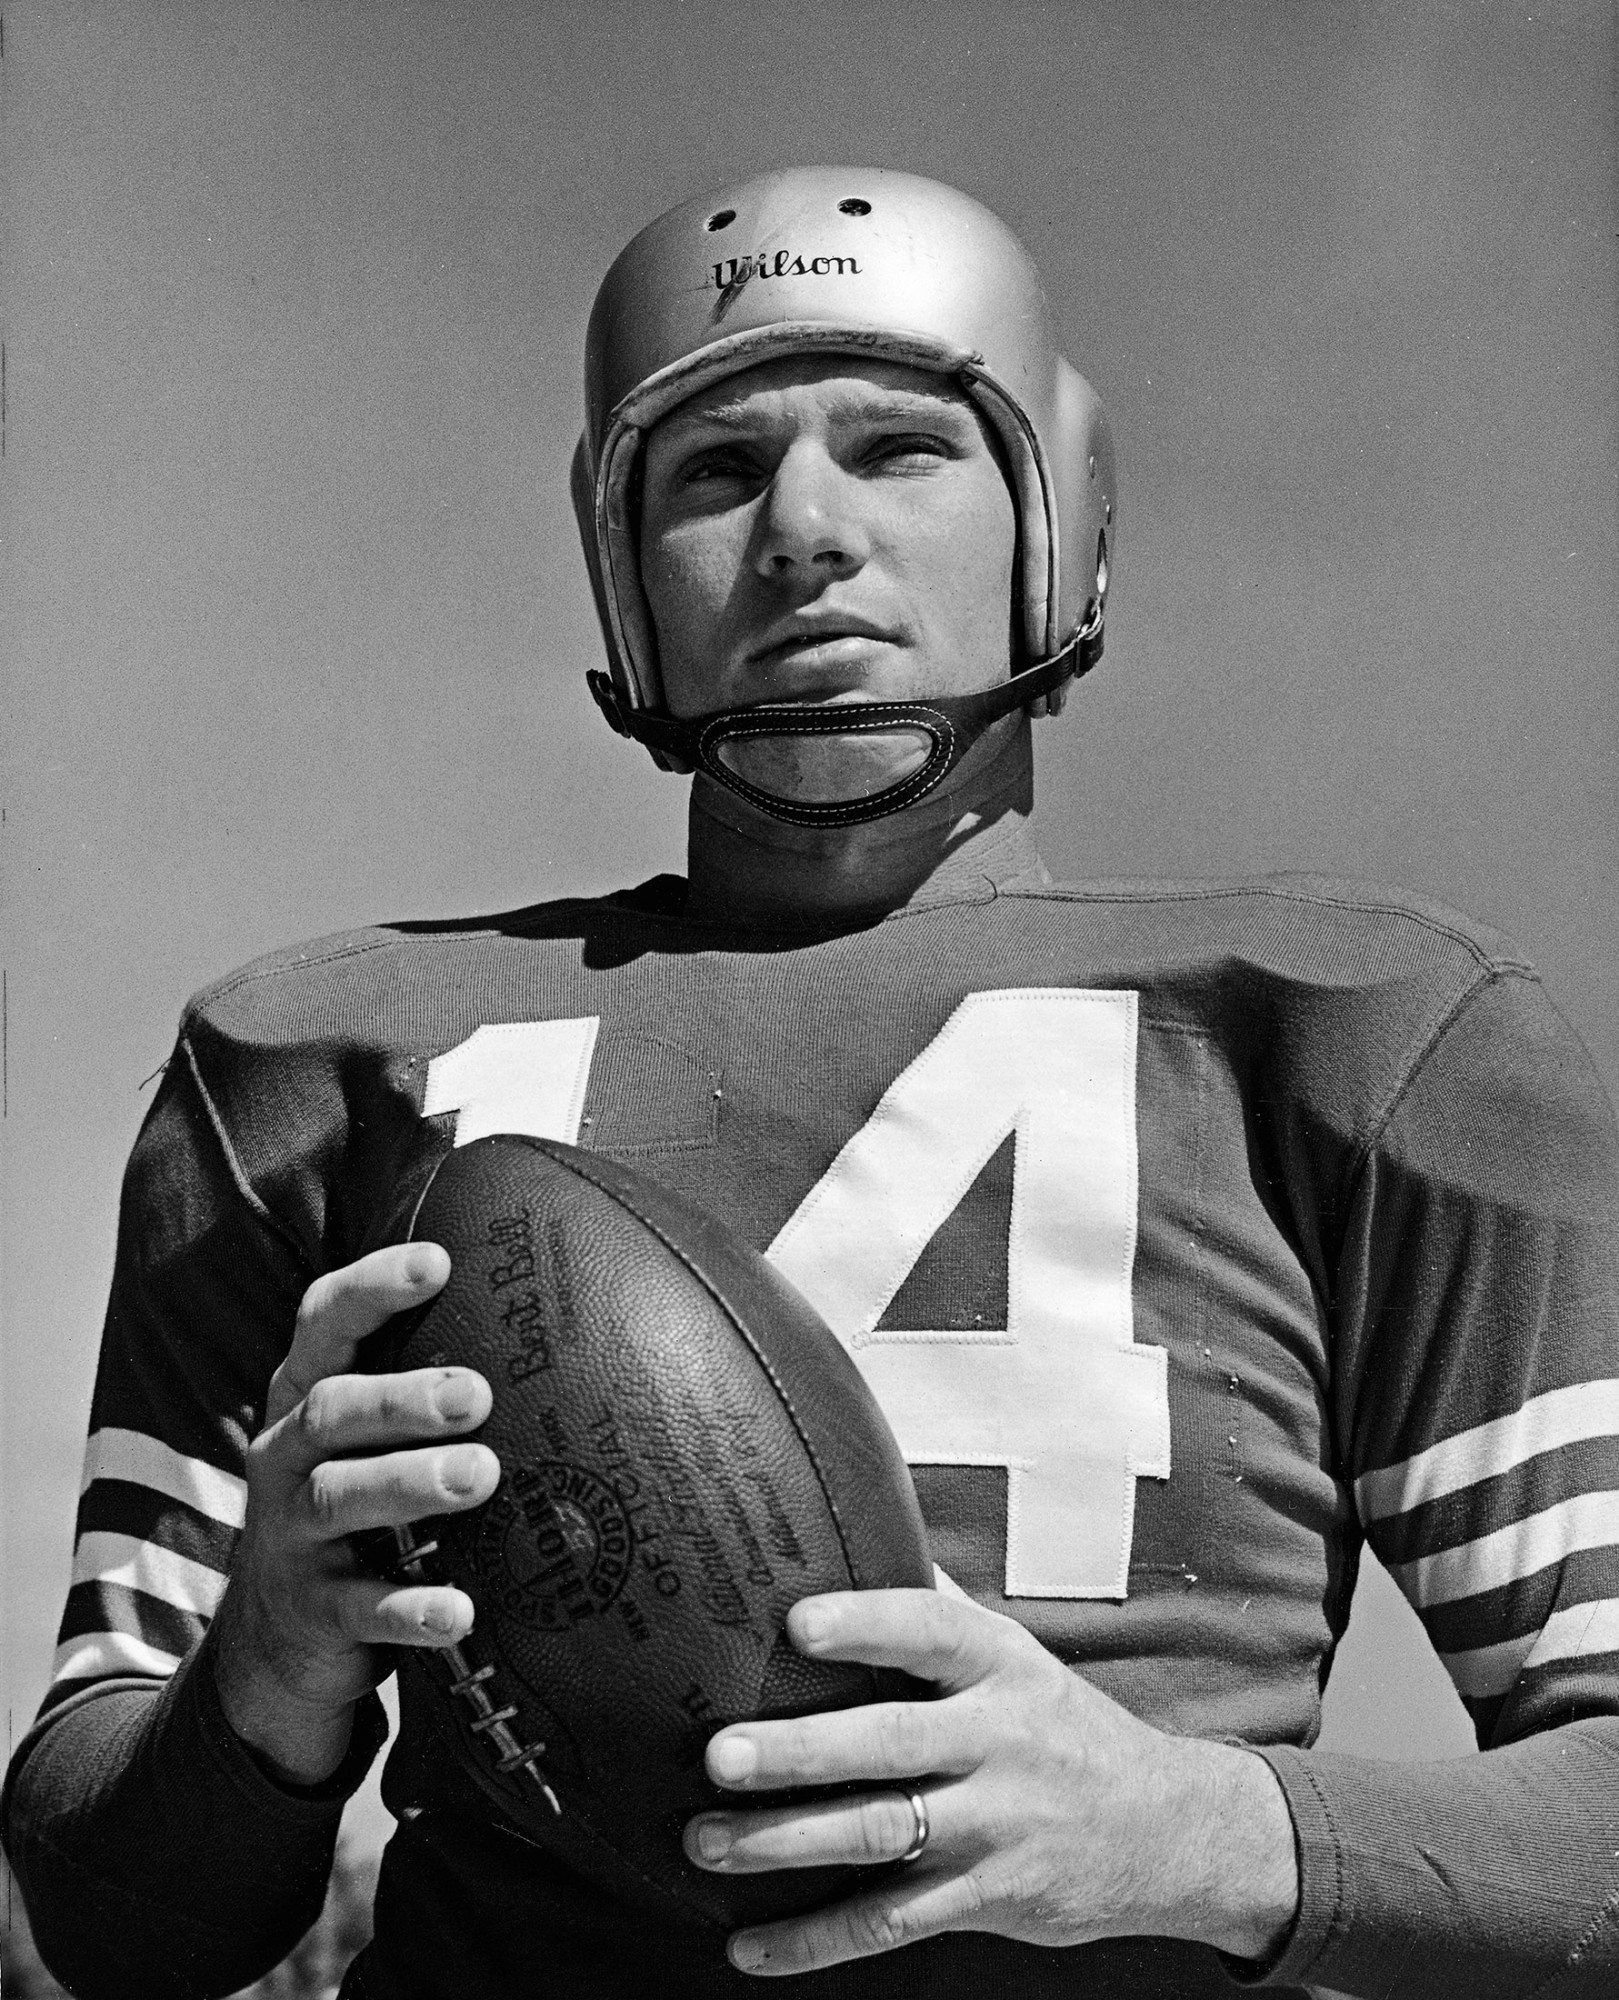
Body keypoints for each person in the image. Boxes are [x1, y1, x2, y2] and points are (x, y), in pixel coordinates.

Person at [5, 166, 1618, 2000]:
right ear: (621, 569)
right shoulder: (308, 1058)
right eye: (711, 468)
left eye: (900, 445)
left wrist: (1193, 1826)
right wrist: (268, 1675)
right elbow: (111, 1922)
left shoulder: (1367, 1023)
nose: (802, 531)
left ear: (1057, 520)